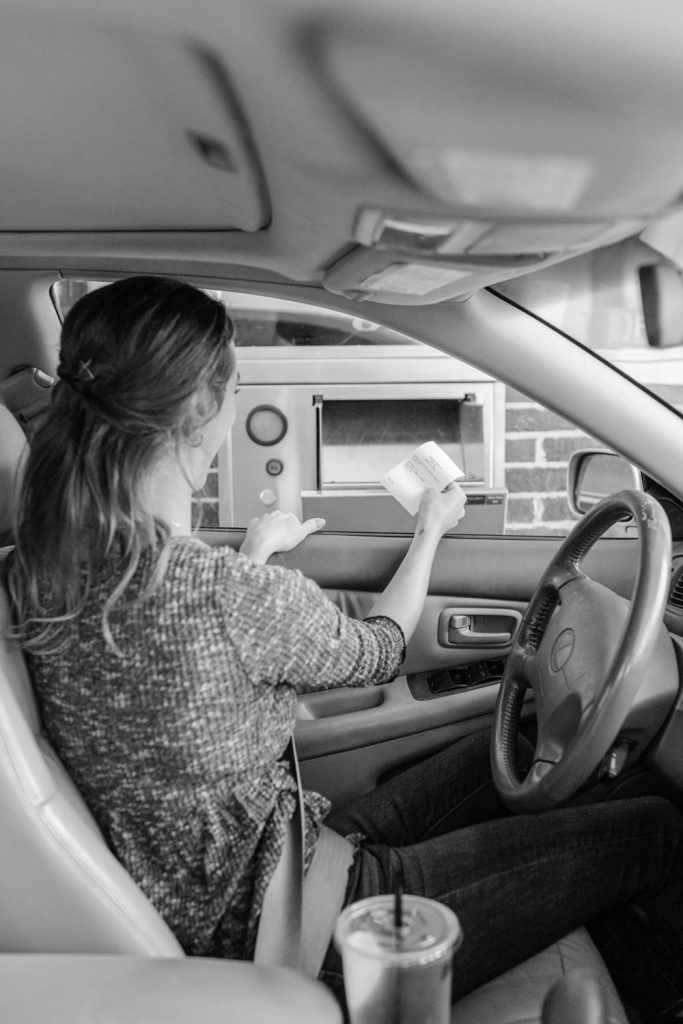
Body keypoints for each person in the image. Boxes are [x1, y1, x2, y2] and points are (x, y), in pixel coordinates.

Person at [6, 276, 683, 1021]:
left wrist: (254, 556)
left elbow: (182, 646)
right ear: (200, 409)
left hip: (266, 877)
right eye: (235, 384)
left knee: (517, 746)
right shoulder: (222, 593)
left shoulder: (40, 575)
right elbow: (382, 648)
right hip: (309, 936)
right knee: (655, 830)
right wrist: (430, 530)